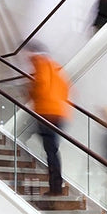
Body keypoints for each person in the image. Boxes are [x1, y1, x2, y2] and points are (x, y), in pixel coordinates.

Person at [27, 44, 71, 196]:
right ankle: (56, 186)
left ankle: (55, 188)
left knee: (50, 151)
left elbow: (42, 85)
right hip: (59, 113)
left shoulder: (41, 64)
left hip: (46, 113)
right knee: (52, 150)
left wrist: (31, 93)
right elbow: (66, 89)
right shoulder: (56, 68)